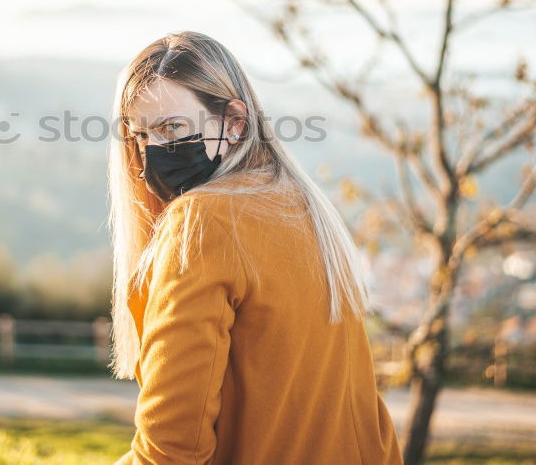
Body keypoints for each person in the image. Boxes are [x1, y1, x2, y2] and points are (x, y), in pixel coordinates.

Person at [107, 31, 403, 464]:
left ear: (234, 123)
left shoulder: (203, 220)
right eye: (141, 135)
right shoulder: (305, 207)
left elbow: (169, 453)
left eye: (172, 127)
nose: (155, 152)